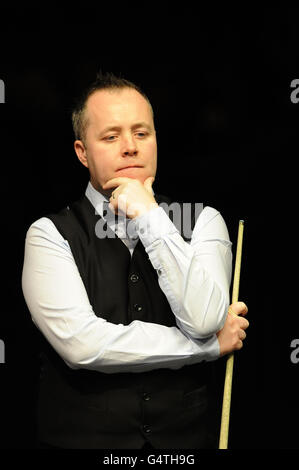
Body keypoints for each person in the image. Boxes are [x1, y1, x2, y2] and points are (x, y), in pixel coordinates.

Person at [21, 71, 249, 450]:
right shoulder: (48, 234)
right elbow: (83, 346)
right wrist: (204, 348)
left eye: (141, 133)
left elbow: (206, 319)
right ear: (82, 152)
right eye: (111, 136)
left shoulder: (205, 221)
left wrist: (149, 216)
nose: (130, 147)